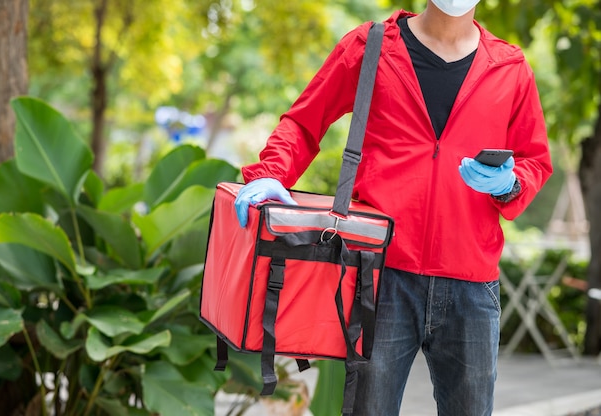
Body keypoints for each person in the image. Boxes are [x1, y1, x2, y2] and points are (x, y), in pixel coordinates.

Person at [234, 0, 553, 414]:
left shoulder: (510, 68)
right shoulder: (370, 47)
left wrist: (510, 183)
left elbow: (535, 160)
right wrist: (269, 173)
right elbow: (303, 121)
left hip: (471, 288)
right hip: (380, 277)